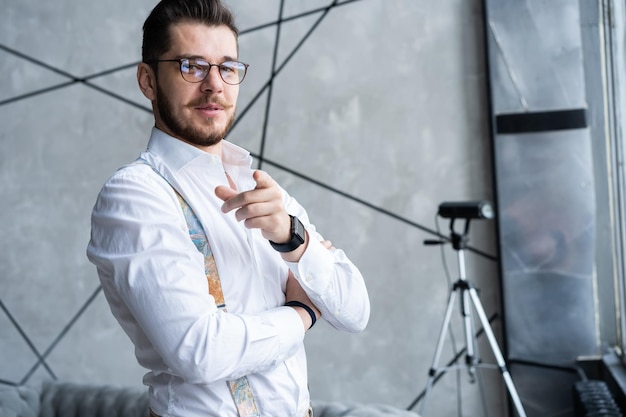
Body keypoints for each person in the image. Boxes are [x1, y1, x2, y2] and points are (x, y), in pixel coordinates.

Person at [86, 0, 370, 416]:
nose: (214, 85)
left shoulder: (260, 189)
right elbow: (201, 351)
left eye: (227, 67)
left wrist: (294, 240)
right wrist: (302, 313)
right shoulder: (135, 195)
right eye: (191, 66)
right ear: (148, 80)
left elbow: (356, 312)